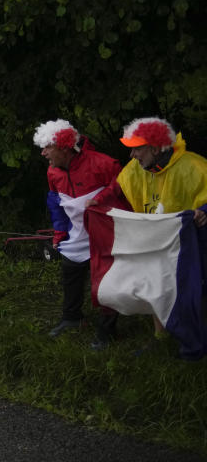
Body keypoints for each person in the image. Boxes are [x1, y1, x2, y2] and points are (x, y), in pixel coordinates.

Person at [89, 117, 207, 347]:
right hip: (155, 239)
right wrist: (97, 201)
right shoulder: (138, 167)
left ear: (155, 147)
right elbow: (118, 187)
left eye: (136, 149)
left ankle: (194, 340)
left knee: (194, 288)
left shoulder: (194, 167)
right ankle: (161, 339)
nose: (132, 156)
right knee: (156, 283)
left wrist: (203, 211)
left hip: (190, 242)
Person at [33, 119, 125, 338]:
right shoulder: (53, 172)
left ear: (64, 148)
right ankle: (72, 318)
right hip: (77, 232)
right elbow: (57, 205)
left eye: (48, 148)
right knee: (70, 270)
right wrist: (60, 233)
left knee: (105, 280)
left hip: (107, 231)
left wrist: (101, 200)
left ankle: (107, 331)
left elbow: (125, 190)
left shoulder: (104, 164)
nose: (43, 153)